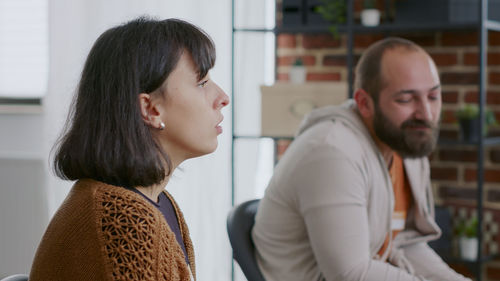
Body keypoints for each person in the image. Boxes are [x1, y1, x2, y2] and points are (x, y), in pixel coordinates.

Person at [252, 37, 471, 281]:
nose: (426, 114)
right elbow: (351, 274)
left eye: (433, 97)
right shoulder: (331, 153)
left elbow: (405, 244)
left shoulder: (403, 143)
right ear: (365, 103)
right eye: (406, 99)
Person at [29, 17, 229, 281]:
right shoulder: (124, 221)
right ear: (150, 109)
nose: (222, 98)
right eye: (202, 83)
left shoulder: (158, 204)